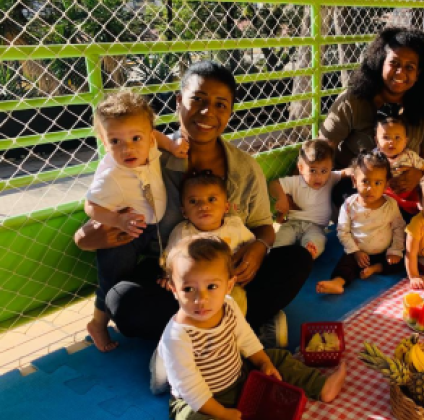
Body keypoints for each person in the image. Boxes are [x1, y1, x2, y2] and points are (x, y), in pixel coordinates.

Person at [74, 61, 312, 347]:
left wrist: (258, 249)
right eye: (197, 100)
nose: (207, 112)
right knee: (123, 302)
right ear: (178, 102)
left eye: (220, 104)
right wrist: (86, 237)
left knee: (296, 260)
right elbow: (99, 217)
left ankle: (200, 336)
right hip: (174, 283)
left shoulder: (245, 168)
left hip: (228, 276)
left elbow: (263, 225)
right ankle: (238, 329)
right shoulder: (145, 158)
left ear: (230, 111)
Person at [158, 236, 346, 420]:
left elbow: (246, 338)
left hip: (239, 377)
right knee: (189, 417)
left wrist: (264, 363)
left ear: (229, 285)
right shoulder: (176, 338)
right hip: (202, 403)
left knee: (275, 358)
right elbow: (191, 391)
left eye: (212, 286)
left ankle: (320, 386)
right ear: (174, 289)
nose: (201, 299)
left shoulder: (229, 305)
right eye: (189, 289)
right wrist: (223, 414)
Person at [319, 27, 424, 215]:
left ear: (418, 73)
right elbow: (323, 148)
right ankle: (411, 222)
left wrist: (418, 175)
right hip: (364, 188)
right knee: (344, 196)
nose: (400, 72)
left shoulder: (423, 106)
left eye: (410, 67)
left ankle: (405, 221)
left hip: (406, 189)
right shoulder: (353, 100)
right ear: (380, 64)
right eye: (394, 63)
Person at [84, 90, 187, 352]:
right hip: (124, 236)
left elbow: (158, 139)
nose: (128, 148)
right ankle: (98, 323)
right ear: (104, 142)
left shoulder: (151, 145)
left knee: (157, 267)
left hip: (153, 227)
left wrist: (173, 146)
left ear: (149, 135)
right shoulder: (110, 176)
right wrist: (117, 221)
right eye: (115, 141)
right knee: (112, 278)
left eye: (135, 138)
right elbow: (91, 207)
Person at [317, 151, 406, 294]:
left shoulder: (391, 205)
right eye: (365, 181)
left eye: (377, 183)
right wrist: (356, 251)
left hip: (384, 252)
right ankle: (337, 283)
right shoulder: (349, 205)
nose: (370, 188)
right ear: (354, 181)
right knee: (345, 264)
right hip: (358, 253)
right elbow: (342, 231)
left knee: (402, 260)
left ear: (385, 185)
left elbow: (398, 228)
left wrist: (394, 251)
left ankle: (376, 268)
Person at [163, 171, 253, 314]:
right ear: (184, 211)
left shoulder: (235, 226)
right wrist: (167, 275)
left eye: (211, 199)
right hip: (196, 288)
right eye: (193, 201)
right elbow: (169, 258)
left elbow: (252, 248)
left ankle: (233, 331)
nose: (203, 206)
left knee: (234, 299)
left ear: (226, 207)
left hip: (231, 283)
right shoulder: (182, 232)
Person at [269, 140, 344, 259]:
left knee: (317, 241)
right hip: (292, 224)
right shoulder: (296, 181)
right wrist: (281, 197)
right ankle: (276, 258)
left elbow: (346, 172)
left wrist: (358, 173)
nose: (318, 176)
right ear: (301, 168)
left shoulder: (331, 178)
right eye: (312, 170)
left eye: (324, 171)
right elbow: (273, 184)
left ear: (330, 168)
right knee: (279, 241)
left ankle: (306, 255)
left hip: (316, 227)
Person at [375, 103, 424, 217]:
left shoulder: (410, 156)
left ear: (405, 141)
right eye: (386, 137)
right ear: (376, 141)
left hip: (409, 198)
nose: (392, 142)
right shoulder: (374, 158)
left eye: (397, 137)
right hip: (385, 200)